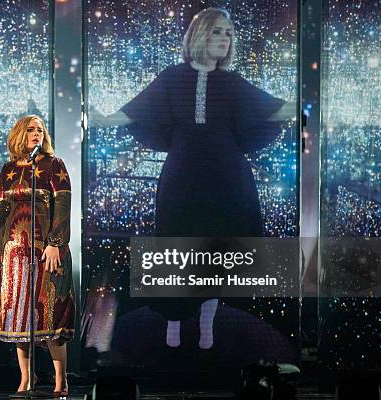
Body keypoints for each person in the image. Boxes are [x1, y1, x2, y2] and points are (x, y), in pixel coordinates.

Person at [92, 8, 294, 349]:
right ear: (200, 34)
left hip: (226, 178)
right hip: (182, 175)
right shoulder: (171, 78)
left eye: (229, 34)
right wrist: (101, 120)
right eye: (218, 32)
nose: (224, 40)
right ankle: (173, 321)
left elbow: (273, 110)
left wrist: (311, 99)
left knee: (217, 247)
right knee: (178, 246)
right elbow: (137, 111)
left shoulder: (232, 83)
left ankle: (206, 324)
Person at [0, 115, 75, 396]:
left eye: (40, 130)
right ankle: (27, 378)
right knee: (19, 315)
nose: (36, 134)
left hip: (46, 250)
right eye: (31, 129)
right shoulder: (8, 169)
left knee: (50, 316)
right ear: (20, 135)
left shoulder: (53, 165)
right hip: (13, 254)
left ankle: (61, 380)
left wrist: (55, 242)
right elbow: (0, 210)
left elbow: (63, 204)